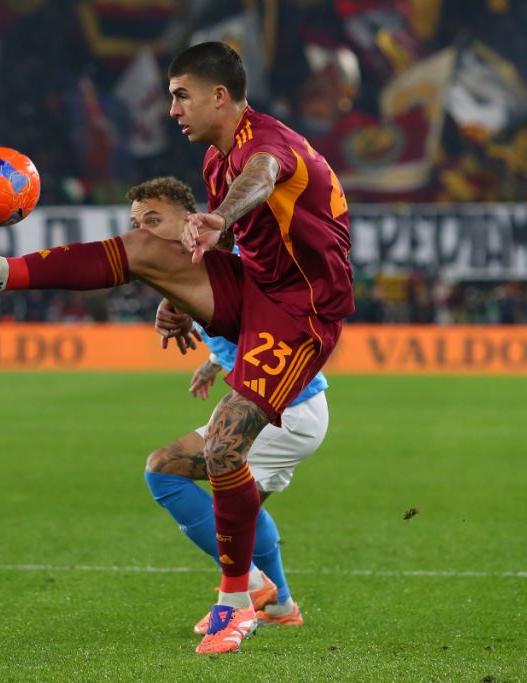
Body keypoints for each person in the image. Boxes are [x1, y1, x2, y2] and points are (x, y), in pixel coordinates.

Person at [0, 41, 353, 654]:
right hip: (259, 286)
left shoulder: (267, 145)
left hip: (303, 309)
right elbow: (241, 244)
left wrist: (218, 218)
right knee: (142, 248)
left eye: (182, 96)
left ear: (220, 96)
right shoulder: (216, 159)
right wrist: (182, 292)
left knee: (224, 446)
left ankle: (238, 604)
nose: (172, 110)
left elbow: (262, 178)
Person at [127, 177, 329, 632]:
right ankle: (280, 605)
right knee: (245, 512)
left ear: (189, 220)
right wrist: (214, 361)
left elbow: (265, 309)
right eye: (137, 225)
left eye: (154, 220)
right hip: (298, 406)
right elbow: (241, 321)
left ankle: (250, 585)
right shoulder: (190, 270)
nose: (143, 232)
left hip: (284, 409)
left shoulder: (230, 258)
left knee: (163, 471)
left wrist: (179, 304)